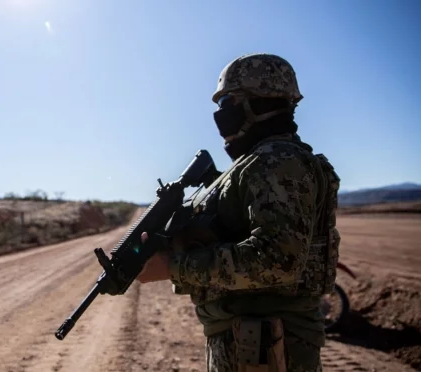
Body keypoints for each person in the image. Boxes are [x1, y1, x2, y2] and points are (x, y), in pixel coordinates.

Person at [136, 53, 341, 372]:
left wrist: (174, 266)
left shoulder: (278, 161)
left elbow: (278, 260)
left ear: (260, 103)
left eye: (229, 101)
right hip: (247, 339)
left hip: (268, 344)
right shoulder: (254, 163)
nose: (221, 114)